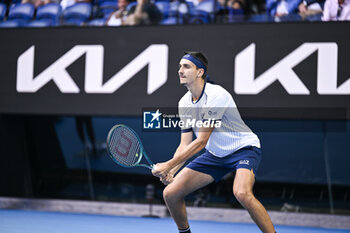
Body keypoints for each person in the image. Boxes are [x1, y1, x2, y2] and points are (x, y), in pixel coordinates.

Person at [152, 51, 276, 233]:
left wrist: (168, 164)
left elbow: (201, 140)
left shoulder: (216, 95)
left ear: (200, 72)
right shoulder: (184, 103)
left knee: (242, 193)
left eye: (186, 66)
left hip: (244, 149)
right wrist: (172, 169)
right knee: (170, 194)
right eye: (179, 66)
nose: (180, 70)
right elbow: (184, 144)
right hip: (216, 155)